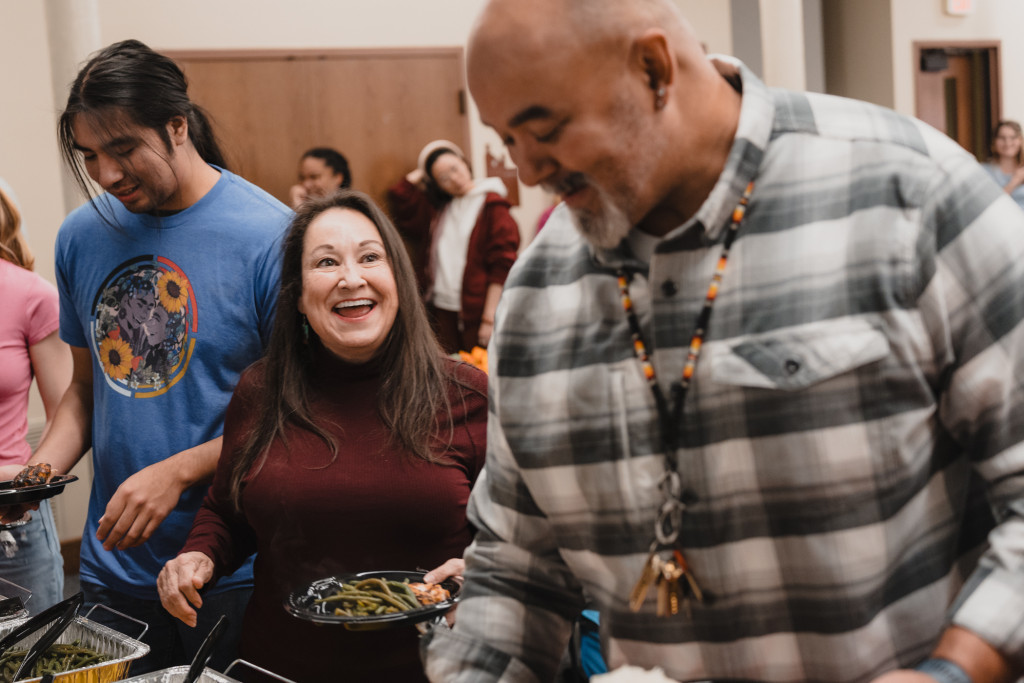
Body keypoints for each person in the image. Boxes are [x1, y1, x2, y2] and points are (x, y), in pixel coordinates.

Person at [422, 1, 1024, 682]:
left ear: (653, 69)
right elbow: (517, 566)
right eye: (509, 141)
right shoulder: (540, 291)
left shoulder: (909, 195)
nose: (527, 172)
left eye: (546, 130)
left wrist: (956, 670)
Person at [0, 39, 291, 673]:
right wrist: (35, 476)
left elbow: (291, 413)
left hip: (233, 566)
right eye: (90, 156)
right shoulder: (81, 235)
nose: (106, 174)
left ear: (177, 126)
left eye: (123, 148)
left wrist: (179, 470)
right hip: (113, 569)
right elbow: (84, 392)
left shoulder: (270, 235)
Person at [157, 189, 487, 683]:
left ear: (398, 277)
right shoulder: (260, 390)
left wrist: (485, 580)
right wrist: (198, 555)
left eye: (370, 257)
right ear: (297, 295)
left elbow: (519, 537)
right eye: (326, 262)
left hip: (435, 668)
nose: (351, 278)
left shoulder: (467, 394)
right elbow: (228, 510)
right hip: (283, 667)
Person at [0, 178, 72, 614]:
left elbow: (70, 410)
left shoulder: (30, 295)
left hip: (12, 514)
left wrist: (25, 479)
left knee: (30, 661)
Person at [387, 139, 519, 353]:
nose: (455, 179)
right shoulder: (440, 210)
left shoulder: (493, 206)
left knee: (481, 372)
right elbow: (401, 194)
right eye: (444, 178)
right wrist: (424, 170)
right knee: (450, 369)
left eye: (455, 168)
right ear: (436, 185)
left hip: (476, 311)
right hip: (441, 307)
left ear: (465, 164)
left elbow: (502, 266)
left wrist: (489, 317)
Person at [981, 120, 1024, 210]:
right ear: (994, 141)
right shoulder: (984, 171)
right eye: (1002, 137)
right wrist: (1014, 181)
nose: (1007, 143)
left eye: (1013, 137)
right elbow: (989, 205)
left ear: (1020, 140)